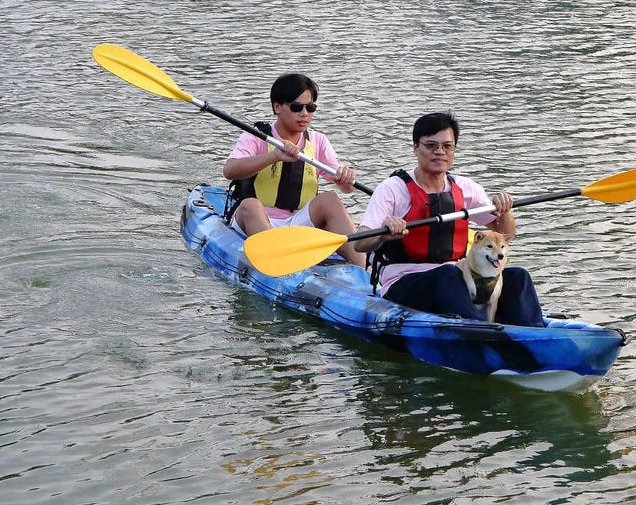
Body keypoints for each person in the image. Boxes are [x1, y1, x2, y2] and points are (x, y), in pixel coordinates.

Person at [354, 112, 545, 327]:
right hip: (403, 284)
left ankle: (535, 333)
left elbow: (506, 233)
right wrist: (383, 232)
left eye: (447, 146)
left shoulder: (465, 188)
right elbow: (360, 243)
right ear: (415, 147)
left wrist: (505, 210)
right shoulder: (392, 189)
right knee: (448, 273)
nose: (440, 152)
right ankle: (476, 334)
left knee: (518, 277)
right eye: (431, 145)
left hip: (459, 279)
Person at [223, 72, 365, 268]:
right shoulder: (257, 136)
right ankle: (277, 262)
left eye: (310, 107)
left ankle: (364, 270)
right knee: (250, 205)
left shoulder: (318, 141)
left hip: (299, 222)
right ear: (277, 107)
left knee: (330, 199)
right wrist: (274, 156)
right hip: (259, 219)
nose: (304, 113)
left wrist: (345, 178)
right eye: (297, 107)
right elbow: (229, 170)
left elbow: (347, 188)